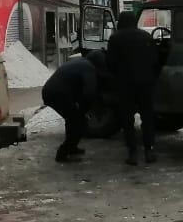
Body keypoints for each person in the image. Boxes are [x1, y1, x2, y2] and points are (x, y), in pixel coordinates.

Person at [107, 10, 159, 166]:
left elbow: (110, 63)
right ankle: (149, 150)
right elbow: (155, 61)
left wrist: (117, 77)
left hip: (125, 85)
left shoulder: (115, 38)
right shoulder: (146, 36)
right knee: (148, 117)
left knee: (127, 119)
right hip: (145, 84)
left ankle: (133, 153)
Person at [41, 54, 99, 163]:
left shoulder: (80, 62)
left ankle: (72, 148)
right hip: (57, 94)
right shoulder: (89, 68)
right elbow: (89, 92)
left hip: (50, 91)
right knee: (78, 122)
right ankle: (62, 154)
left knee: (72, 119)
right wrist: (84, 110)